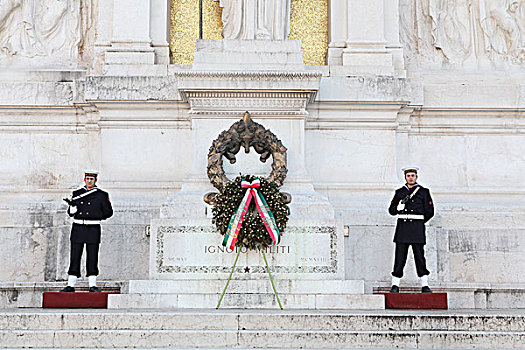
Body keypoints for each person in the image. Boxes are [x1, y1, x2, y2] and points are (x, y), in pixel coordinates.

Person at [60, 171, 113, 292]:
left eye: (92, 179)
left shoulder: (101, 195)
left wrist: (96, 215)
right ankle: (71, 284)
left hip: (93, 228)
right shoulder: (77, 193)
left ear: (95, 181)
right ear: (84, 180)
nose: (89, 181)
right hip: (78, 227)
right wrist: (73, 206)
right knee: (75, 256)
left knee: (92, 256)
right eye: (88, 179)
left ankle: (92, 285)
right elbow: (71, 213)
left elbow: (108, 212)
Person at [388, 166, 434, 293]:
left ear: (416, 177)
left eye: (413, 175)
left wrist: (418, 222)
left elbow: (430, 212)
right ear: (405, 177)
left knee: (419, 257)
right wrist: (398, 208)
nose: (411, 178)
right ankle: (395, 285)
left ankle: (424, 284)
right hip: (403, 228)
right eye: (408, 176)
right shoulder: (399, 192)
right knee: (399, 257)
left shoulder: (424, 192)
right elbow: (391, 211)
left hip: (417, 229)